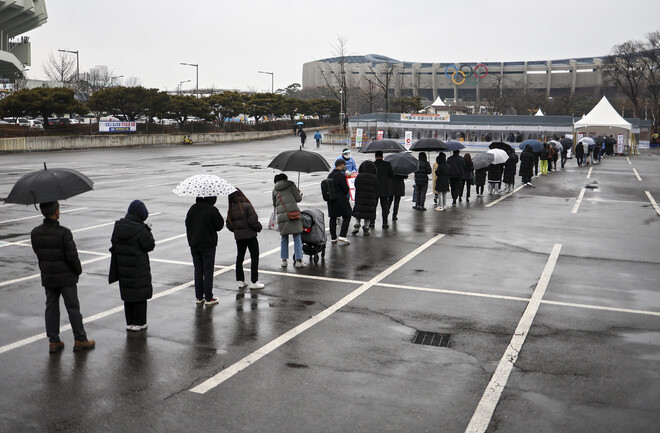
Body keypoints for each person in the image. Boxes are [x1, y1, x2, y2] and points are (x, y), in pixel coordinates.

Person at [31, 201, 95, 353]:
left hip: (48, 276)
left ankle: (54, 341)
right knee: (72, 307)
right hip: (66, 277)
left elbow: (38, 253)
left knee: (51, 308)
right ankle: (80, 339)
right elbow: (72, 257)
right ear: (56, 212)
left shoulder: (35, 232)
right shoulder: (64, 232)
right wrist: (77, 270)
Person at [110, 200, 155, 332]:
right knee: (140, 294)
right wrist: (148, 230)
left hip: (123, 268)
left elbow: (114, 242)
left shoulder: (118, 226)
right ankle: (140, 322)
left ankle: (130, 322)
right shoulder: (141, 230)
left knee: (128, 294)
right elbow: (150, 245)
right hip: (138, 268)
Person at [186, 196, 224, 305]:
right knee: (208, 271)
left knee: (198, 270)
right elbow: (219, 225)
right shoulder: (211, 210)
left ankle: (199, 297)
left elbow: (187, 223)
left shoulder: (192, 209)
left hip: (194, 244)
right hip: (208, 245)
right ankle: (209, 297)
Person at [226, 189, 264, 290]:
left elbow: (229, 225)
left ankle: (240, 281)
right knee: (254, 257)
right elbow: (253, 221)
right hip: (251, 236)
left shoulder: (231, 209)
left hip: (239, 238)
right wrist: (259, 227)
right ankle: (254, 281)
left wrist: (237, 231)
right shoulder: (247, 205)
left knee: (240, 258)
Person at [273, 173, 306, 266]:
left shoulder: (275, 189)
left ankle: (284, 261)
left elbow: (275, 204)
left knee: (284, 238)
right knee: (297, 237)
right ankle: (299, 261)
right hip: (293, 214)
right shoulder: (291, 185)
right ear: (286, 178)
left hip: (282, 216)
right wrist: (299, 193)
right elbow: (298, 199)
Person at [327, 159, 352, 243]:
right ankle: (342, 235)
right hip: (341, 199)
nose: (344, 167)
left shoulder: (330, 175)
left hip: (331, 199)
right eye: (344, 166)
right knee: (348, 215)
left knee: (333, 217)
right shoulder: (340, 176)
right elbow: (345, 189)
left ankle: (333, 237)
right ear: (341, 165)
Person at [352, 161, 378, 236]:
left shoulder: (359, 176)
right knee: (368, 213)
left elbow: (356, 185)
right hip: (370, 198)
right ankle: (366, 227)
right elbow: (376, 187)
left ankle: (357, 224)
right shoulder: (374, 177)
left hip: (360, 196)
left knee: (358, 211)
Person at [373, 150, 394, 228]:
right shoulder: (387, 164)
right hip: (385, 188)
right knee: (384, 207)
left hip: (375, 188)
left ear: (375, 157)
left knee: (373, 206)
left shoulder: (373, 164)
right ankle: (385, 223)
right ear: (382, 156)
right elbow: (392, 175)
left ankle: (372, 222)